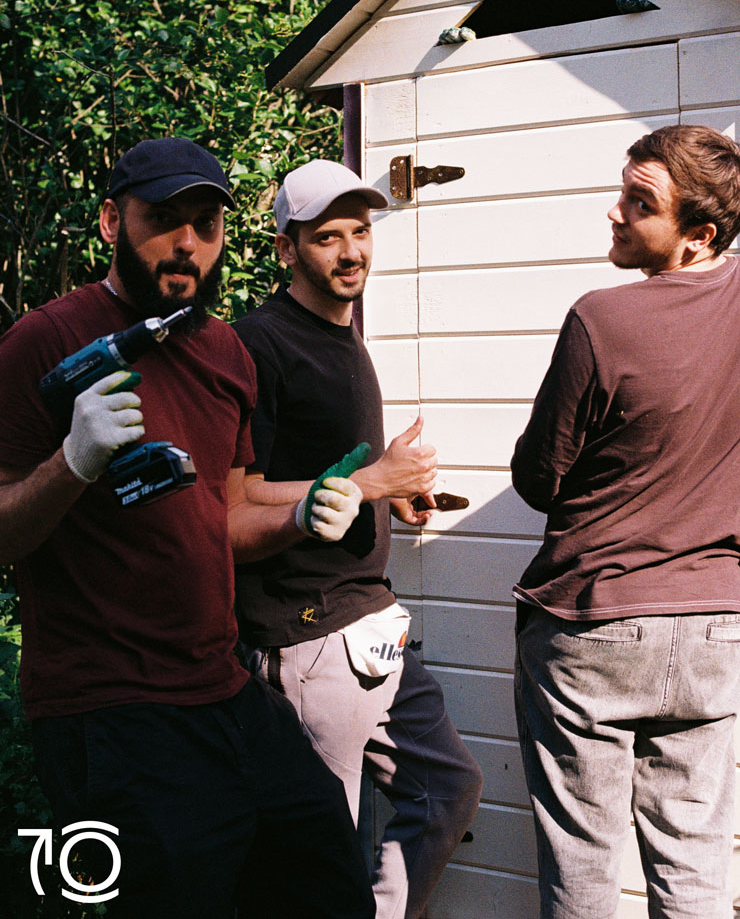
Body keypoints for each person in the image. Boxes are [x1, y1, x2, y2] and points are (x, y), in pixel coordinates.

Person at [0, 138, 376, 919]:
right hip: (106, 709)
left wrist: (300, 516)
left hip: (221, 686)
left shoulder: (224, 352)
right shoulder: (43, 342)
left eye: (205, 224)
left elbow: (228, 515)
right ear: (111, 221)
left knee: (328, 880)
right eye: (163, 220)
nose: (186, 243)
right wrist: (73, 460)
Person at [232, 158, 484, 919]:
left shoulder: (343, 336)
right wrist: (375, 482)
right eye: (327, 237)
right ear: (285, 249)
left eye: (362, 231)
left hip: (369, 623)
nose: (351, 252)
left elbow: (326, 474)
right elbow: (236, 496)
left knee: (447, 788)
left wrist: (392, 496)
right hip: (305, 637)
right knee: (318, 849)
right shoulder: (258, 345)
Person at [510, 124, 740, 918]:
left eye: (640, 205)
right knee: (698, 866)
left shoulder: (601, 319)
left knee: (582, 866)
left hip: (593, 627)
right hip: (715, 626)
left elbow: (537, 480)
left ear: (697, 235)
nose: (615, 213)